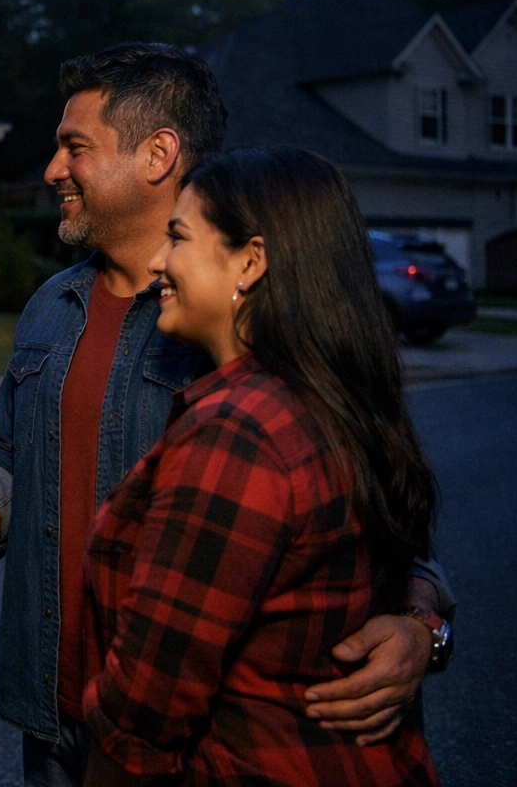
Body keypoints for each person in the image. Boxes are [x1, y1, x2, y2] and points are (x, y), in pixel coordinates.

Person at [0, 44, 454, 786]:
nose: (52, 170)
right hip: (53, 714)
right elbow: (10, 455)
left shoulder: (247, 335)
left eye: (74, 147)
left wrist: (421, 626)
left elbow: (383, 516)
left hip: (183, 738)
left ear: (158, 154)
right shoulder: (51, 307)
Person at [82, 147, 441, 785]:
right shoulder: (331, 397)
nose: (160, 262)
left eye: (179, 237)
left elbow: (148, 706)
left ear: (250, 260)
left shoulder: (238, 433)